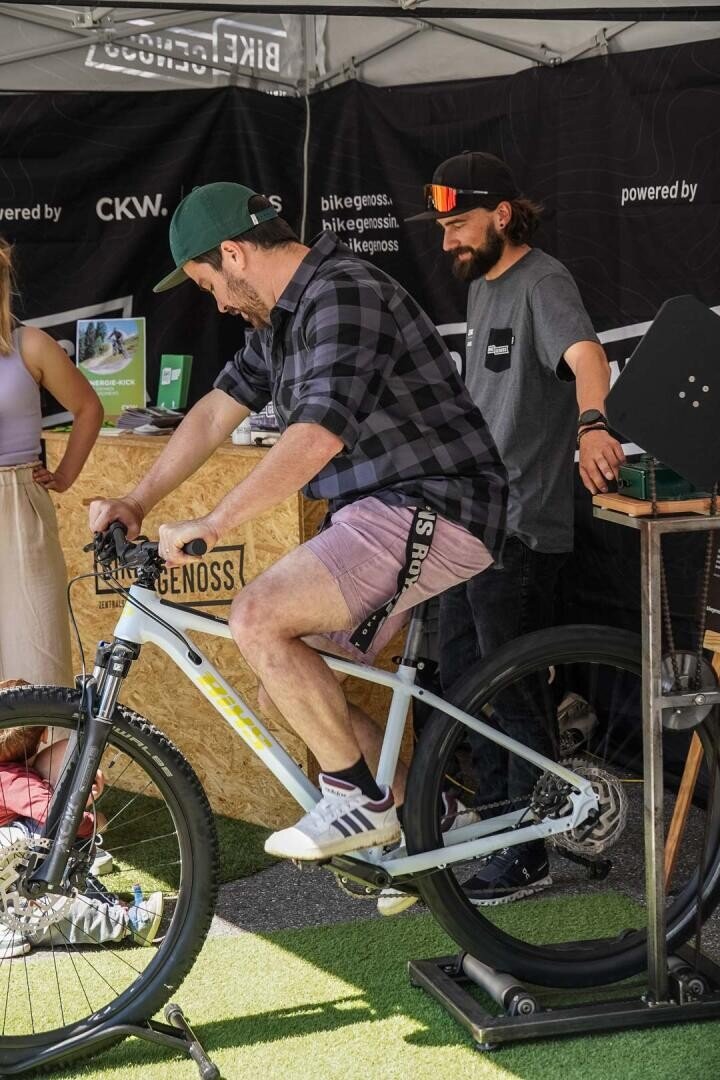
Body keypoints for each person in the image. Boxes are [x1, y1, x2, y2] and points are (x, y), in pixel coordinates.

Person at [89, 180, 508, 863]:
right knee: (281, 677)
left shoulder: (343, 293)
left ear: (233, 253)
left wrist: (215, 523)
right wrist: (137, 501)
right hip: (384, 511)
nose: (218, 304)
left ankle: (357, 801)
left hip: (432, 504)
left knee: (257, 617)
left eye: (208, 285)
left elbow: (316, 437)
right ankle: (426, 813)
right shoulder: (280, 319)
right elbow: (213, 414)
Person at [400, 151, 626, 907]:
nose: (446, 243)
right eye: (441, 228)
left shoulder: (543, 281)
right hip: (472, 525)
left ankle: (530, 851)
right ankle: (502, 826)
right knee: (468, 683)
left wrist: (594, 422)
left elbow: (589, 356)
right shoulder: (488, 288)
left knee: (512, 690)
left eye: (458, 224)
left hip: (523, 530)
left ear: (501, 214)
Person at [0, 237, 103, 685]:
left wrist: (63, 475)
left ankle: (47, 757)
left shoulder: (30, 344)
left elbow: (89, 409)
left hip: (18, 509)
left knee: (39, 659)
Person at [0, 723, 162, 958]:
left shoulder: (14, 778)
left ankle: (110, 906)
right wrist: (89, 821)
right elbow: (55, 819)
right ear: (44, 734)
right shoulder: (12, 781)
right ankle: (130, 922)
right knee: (54, 913)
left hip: (13, 879)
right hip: (14, 888)